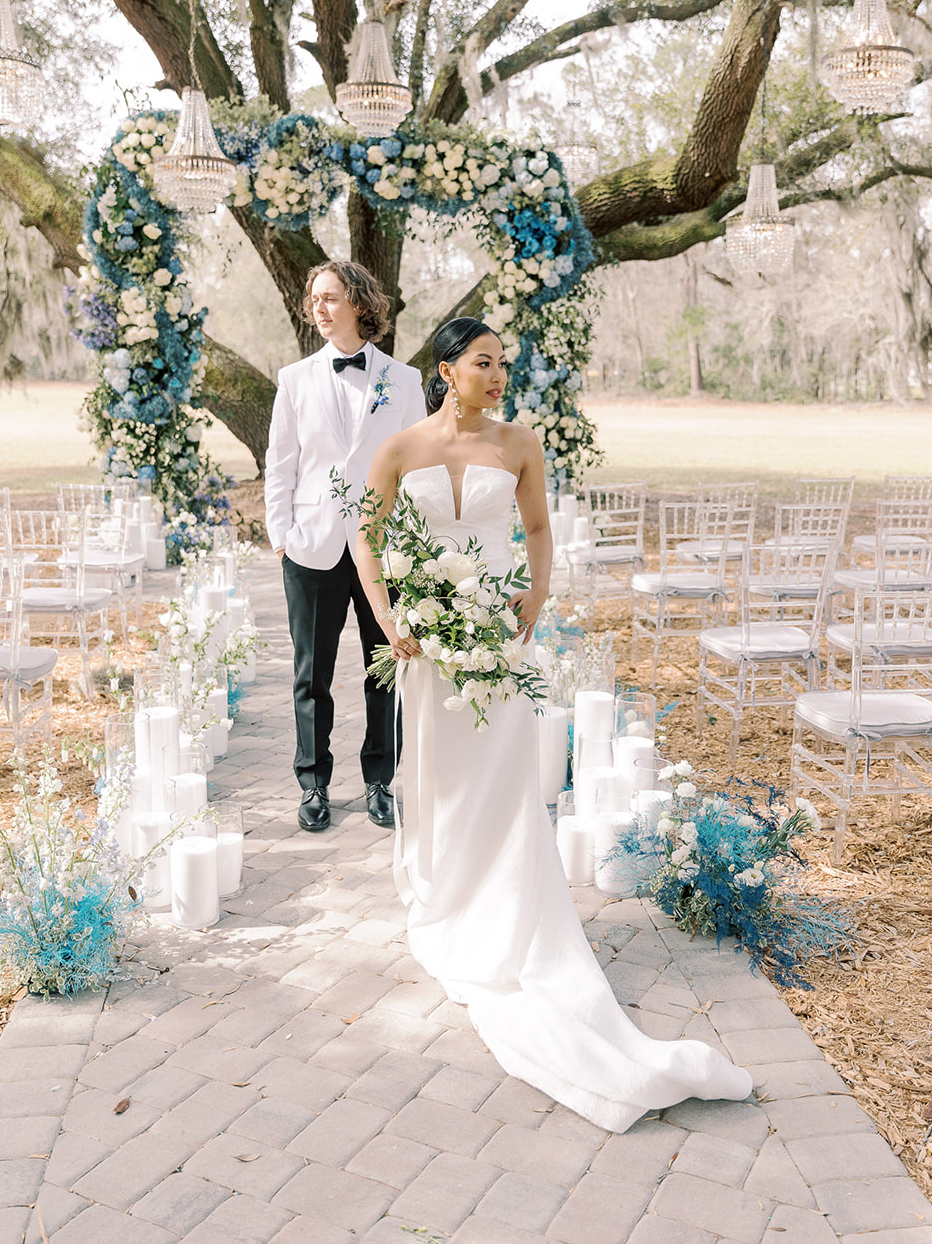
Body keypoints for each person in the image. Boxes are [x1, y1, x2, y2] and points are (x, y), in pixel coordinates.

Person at [354, 317, 753, 1133]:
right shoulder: (398, 449)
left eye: (503, 364)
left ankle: (504, 898)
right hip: (427, 640)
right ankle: (444, 885)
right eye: (484, 363)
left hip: (498, 634)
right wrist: (388, 617)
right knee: (439, 769)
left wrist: (537, 590)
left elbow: (537, 529)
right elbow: (366, 536)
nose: (499, 375)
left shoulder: (519, 444)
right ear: (445, 371)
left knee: (500, 772)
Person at [264, 260, 426, 833]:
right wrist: (281, 536)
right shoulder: (294, 379)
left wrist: (413, 545)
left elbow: (420, 467)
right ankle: (313, 784)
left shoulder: (404, 382)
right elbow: (280, 463)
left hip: (385, 551)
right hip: (311, 548)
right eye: (314, 298)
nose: (319, 307)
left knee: (386, 668)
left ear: (358, 302)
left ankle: (381, 780)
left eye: (330, 297)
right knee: (313, 675)